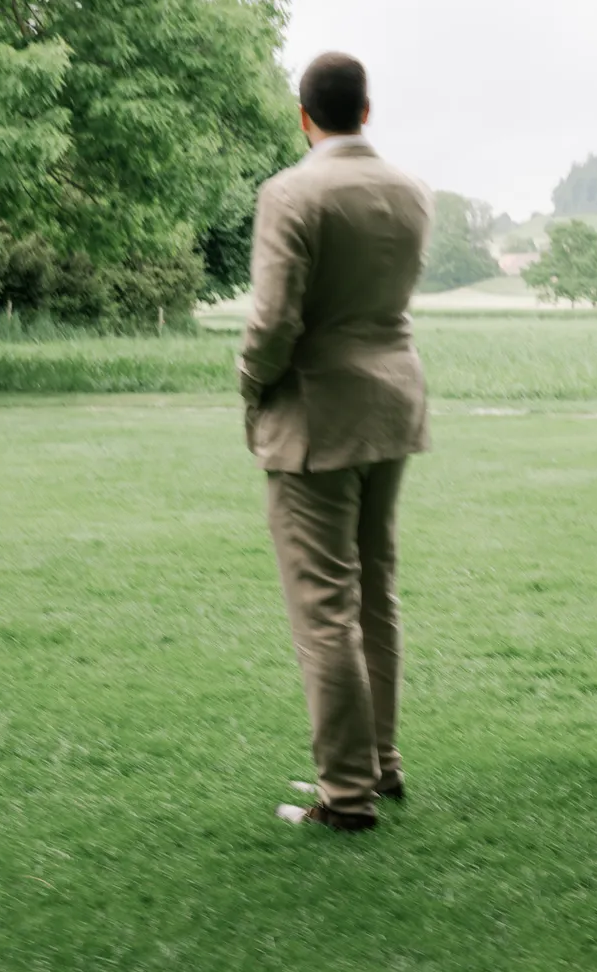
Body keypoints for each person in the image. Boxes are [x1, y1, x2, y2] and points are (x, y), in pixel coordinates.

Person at [238, 52, 433, 831]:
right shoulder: (412, 190)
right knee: (374, 592)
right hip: (393, 403)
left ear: (303, 115)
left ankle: (346, 794)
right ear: (366, 110)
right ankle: (379, 761)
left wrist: (252, 382)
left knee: (324, 608)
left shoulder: (290, 193)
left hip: (318, 410)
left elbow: (274, 317)